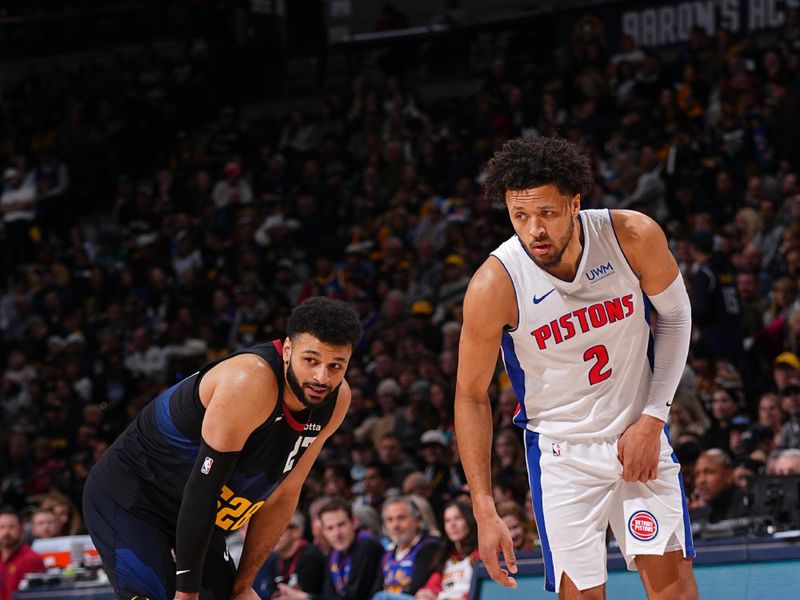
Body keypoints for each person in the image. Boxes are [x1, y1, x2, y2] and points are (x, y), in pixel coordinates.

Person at [455, 137, 698, 599]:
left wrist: (653, 418)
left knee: (675, 592)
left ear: (575, 203)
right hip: (561, 457)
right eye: (520, 216)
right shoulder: (494, 284)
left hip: (636, 434)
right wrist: (484, 509)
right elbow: (470, 394)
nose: (534, 230)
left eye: (546, 213)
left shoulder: (631, 236)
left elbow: (676, 316)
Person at [82, 297, 361, 600]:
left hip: (197, 515)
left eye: (336, 366)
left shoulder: (336, 400)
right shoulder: (249, 380)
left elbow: (284, 494)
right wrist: (187, 595)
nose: (322, 377)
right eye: (311, 361)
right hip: (133, 497)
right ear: (288, 350)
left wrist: (243, 584)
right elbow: (204, 487)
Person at [415, 500, 479, 600]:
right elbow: (431, 587)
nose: (452, 525)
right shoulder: (445, 558)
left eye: (458, 518)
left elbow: (482, 590)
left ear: (470, 520)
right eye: (447, 521)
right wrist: (425, 594)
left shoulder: (480, 554)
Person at [255, 511, 326, 599]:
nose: (270, 536)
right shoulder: (273, 559)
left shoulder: (312, 557)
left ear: (296, 532)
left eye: (277, 529)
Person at [690, 449, 751, 523]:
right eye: (697, 474)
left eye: (709, 472)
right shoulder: (697, 516)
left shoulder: (750, 508)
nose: (700, 481)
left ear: (728, 475)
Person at [0, 508, 46, 600]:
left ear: (22, 530)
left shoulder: (32, 560)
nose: (6, 532)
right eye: (1, 527)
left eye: (12, 527)